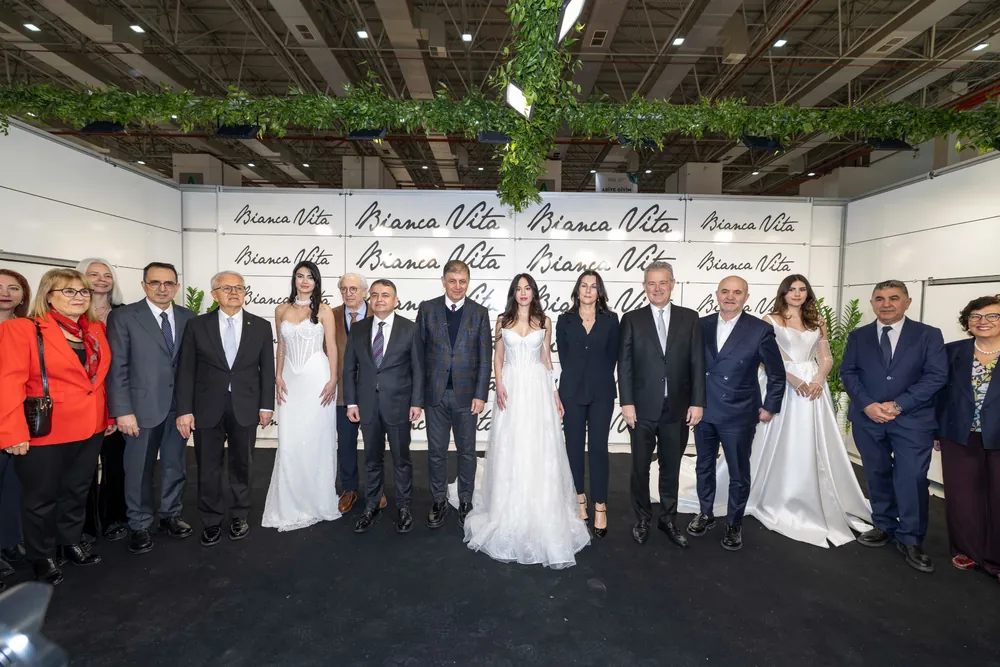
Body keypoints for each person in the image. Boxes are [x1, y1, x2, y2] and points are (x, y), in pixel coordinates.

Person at [461, 273, 589, 568]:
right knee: (511, 445)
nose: (522, 292)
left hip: (537, 388)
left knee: (538, 447)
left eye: (527, 288)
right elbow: (498, 357)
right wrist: (499, 384)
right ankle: (508, 507)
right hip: (511, 387)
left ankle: (539, 507)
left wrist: (554, 392)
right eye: (518, 288)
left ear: (533, 292)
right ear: (513, 293)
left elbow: (546, 360)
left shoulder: (544, 321)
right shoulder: (502, 320)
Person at [0, 268, 112, 585]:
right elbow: (8, 383)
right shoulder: (22, 329)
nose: (78, 297)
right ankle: (42, 555)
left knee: (77, 490)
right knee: (41, 498)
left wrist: (108, 416)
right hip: (46, 429)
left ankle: (70, 541)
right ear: (48, 296)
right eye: (68, 291)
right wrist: (12, 432)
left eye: (83, 291)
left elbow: (97, 380)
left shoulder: (94, 329)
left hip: (91, 426)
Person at [841, 280, 947, 573]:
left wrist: (899, 405)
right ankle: (884, 525)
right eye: (879, 298)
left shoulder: (928, 335)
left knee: (912, 477)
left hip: (912, 420)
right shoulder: (859, 336)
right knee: (876, 473)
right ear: (872, 303)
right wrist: (867, 405)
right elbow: (848, 372)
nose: (886, 304)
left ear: (907, 302)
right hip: (868, 419)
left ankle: (911, 538)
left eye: (893, 298)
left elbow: (936, 376)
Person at [175, 271, 275, 547]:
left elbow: (267, 369)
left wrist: (267, 405)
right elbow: (186, 370)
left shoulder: (260, 326)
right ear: (214, 294)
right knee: (208, 466)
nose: (234, 293)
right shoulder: (197, 325)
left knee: (243, 464)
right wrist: (184, 409)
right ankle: (210, 520)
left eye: (239, 288)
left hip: (246, 405)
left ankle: (240, 515)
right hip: (207, 406)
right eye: (227, 288)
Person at [685, 276, 785, 551]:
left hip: (739, 412)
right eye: (725, 291)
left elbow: (777, 373)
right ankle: (705, 513)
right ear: (717, 294)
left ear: (746, 297)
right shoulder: (700, 324)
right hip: (704, 410)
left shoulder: (759, 329)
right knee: (703, 465)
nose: (730, 297)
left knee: (738, 471)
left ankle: (734, 523)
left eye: (737, 292)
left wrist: (771, 406)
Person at [106, 262, 195, 555]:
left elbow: (190, 366)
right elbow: (117, 367)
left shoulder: (188, 317)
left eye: (168, 283)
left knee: (174, 464)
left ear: (177, 287)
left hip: (178, 408)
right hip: (139, 409)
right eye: (155, 282)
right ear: (144, 285)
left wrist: (189, 407)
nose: (162, 288)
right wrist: (122, 410)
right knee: (138, 469)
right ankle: (140, 524)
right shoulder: (124, 317)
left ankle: (171, 514)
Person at [619, 261, 704, 548]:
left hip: (677, 409)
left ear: (672, 284)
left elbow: (697, 363)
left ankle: (667, 520)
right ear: (644, 286)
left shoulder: (690, 318)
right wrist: (627, 402)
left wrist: (697, 402)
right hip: (641, 410)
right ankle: (642, 518)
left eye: (662, 282)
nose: (657, 288)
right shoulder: (632, 319)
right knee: (639, 468)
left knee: (671, 468)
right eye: (651, 283)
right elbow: (625, 365)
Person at [262, 261, 342, 531]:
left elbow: (332, 346)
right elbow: (281, 346)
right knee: (290, 441)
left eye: (310, 277)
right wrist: (277, 376)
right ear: (294, 280)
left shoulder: (324, 310)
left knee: (317, 438)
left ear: (316, 282)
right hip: (290, 380)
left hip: (318, 378)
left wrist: (333, 379)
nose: (305, 281)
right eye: (300, 276)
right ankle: (290, 503)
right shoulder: (281, 310)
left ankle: (316, 499)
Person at [343, 279, 424, 534]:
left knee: (402, 459)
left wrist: (417, 402)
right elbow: (349, 368)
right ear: (370, 299)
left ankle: (404, 507)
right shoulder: (358, 329)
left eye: (386, 295)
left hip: (399, 405)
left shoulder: (410, 329)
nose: (380, 299)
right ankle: (372, 506)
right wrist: (351, 402)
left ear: (395, 300)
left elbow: (418, 369)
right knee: (371, 459)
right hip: (367, 406)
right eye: (376, 295)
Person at [417, 260, 492, 529]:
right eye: (452, 281)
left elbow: (485, 357)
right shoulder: (427, 309)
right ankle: (438, 500)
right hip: (435, 396)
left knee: (467, 452)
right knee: (436, 452)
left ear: (468, 282)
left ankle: (465, 501)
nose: (457, 286)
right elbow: (419, 356)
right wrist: (418, 397)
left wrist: (481, 394)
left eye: (462, 281)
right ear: (443, 281)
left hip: (467, 397)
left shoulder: (479, 313)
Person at [935, 296, 1000, 582]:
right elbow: (938, 393)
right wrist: (935, 431)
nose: (983, 321)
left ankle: (996, 559)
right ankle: (967, 550)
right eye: (975, 316)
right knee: (962, 497)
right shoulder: (952, 351)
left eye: (992, 316)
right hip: (958, 434)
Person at [556, 270, 619, 538]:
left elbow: (613, 356)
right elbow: (565, 357)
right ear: (577, 290)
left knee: (598, 449)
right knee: (573, 448)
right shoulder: (564, 320)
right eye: (584, 285)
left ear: (599, 291)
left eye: (593, 286)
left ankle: (600, 506)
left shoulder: (611, 320)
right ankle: (578, 499)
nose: (588, 290)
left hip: (601, 392)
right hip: (571, 392)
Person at [77, 258, 128, 543]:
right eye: (93, 274)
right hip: (83, 404)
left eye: (107, 275)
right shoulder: (71, 314)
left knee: (116, 466)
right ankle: (84, 526)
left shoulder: (125, 313)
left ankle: (113, 519)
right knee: (82, 471)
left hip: (118, 401)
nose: (101, 280)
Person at [330, 274, 379, 514]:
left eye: (353, 289)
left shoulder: (379, 313)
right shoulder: (330, 315)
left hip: (374, 392)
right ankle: (349, 489)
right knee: (346, 444)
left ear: (364, 291)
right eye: (344, 289)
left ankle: (376, 489)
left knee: (374, 443)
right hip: (342, 392)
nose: (348, 293)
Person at [0, 269, 29, 573]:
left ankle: (9, 541)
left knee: (12, 486)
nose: (5, 293)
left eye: (13, 288)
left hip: (19, 420)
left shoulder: (28, 328)